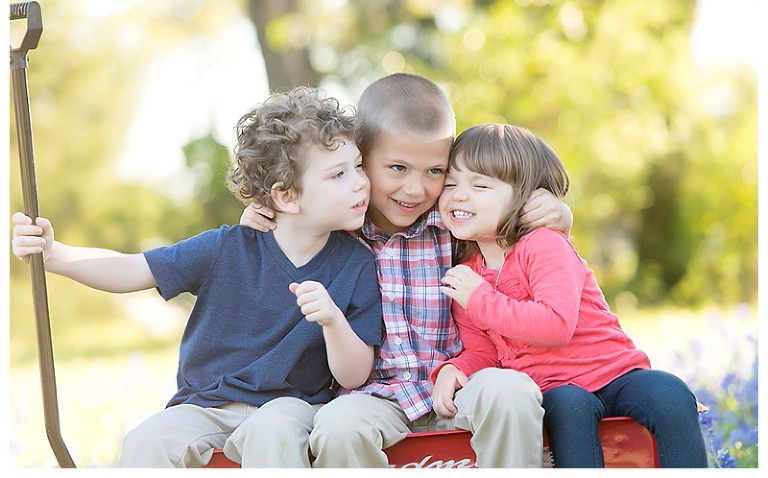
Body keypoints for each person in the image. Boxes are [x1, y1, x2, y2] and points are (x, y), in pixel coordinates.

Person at [11, 88, 382, 468]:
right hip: (207, 405)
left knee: (274, 432)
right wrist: (58, 255)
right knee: (146, 441)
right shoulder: (225, 248)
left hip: (292, 408)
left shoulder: (356, 264)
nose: (360, 182)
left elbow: (353, 375)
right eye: (338, 174)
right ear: (286, 197)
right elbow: (132, 268)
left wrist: (333, 321)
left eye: (357, 166)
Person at [243, 72, 573, 466]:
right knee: (337, 426)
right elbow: (292, 215)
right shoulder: (336, 228)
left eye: (435, 171)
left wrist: (562, 217)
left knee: (512, 392)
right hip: (373, 396)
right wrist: (264, 214)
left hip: (460, 377)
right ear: (360, 161)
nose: (416, 190)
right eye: (397, 168)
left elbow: (522, 245)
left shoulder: (455, 221)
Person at [433, 123, 709, 468]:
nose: (458, 195)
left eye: (479, 185)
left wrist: (481, 299)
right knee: (568, 408)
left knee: (668, 393)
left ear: (525, 197)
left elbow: (556, 323)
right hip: (556, 388)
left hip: (615, 372)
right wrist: (456, 368)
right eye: (450, 184)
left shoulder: (543, 245)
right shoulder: (466, 276)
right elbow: (486, 352)